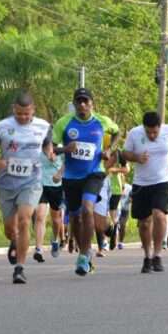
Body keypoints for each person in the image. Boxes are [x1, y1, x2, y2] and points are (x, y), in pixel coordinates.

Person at [0, 92, 54, 284]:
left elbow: (47, 145)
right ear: (14, 109)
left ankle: (20, 268)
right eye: (19, 113)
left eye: (27, 114)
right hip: (7, 182)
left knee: (24, 220)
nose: (23, 117)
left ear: (33, 111)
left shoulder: (44, 126)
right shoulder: (3, 127)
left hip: (32, 181)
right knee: (10, 229)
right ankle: (13, 241)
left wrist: (50, 153)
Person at [53, 88, 120, 276]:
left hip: (94, 173)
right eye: (79, 101)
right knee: (75, 217)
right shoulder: (64, 123)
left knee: (87, 208)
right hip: (71, 176)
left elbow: (117, 132)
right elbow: (49, 148)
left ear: (92, 103)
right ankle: (83, 251)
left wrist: (109, 149)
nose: (82, 104)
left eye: (86, 101)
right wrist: (65, 149)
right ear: (74, 104)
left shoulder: (102, 121)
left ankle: (84, 254)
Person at [121, 111, 168, 273]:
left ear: (160, 127)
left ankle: (157, 254)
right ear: (144, 128)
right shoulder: (134, 133)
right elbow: (125, 153)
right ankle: (147, 256)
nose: (152, 135)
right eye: (149, 132)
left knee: (160, 215)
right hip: (141, 183)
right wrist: (136, 157)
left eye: (155, 132)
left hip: (162, 181)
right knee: (144, 223)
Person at [34, 152, 64, 262]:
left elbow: (68, 163)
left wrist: (60, 173)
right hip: (40, 185)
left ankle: (55, 240)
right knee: (40, 216)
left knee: (56, 220)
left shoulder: (61, 147)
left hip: (56, 186)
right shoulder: (39, 144)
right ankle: (39, 249)